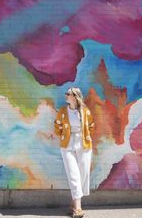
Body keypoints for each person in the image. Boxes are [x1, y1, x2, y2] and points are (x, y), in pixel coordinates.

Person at [54, 87, 95, 218]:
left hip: (83, 143)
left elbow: (91, 125)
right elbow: (57, 126)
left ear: (75, 97)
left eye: (69, 94)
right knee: (73, 174)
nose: (66, 96)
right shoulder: (63, 111)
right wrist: (64, 136)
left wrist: (86, 136)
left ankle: (73, 202)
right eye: (66, 94)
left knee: (83, 174)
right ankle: (78, 208)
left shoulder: (85, 112)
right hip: (67, 144)